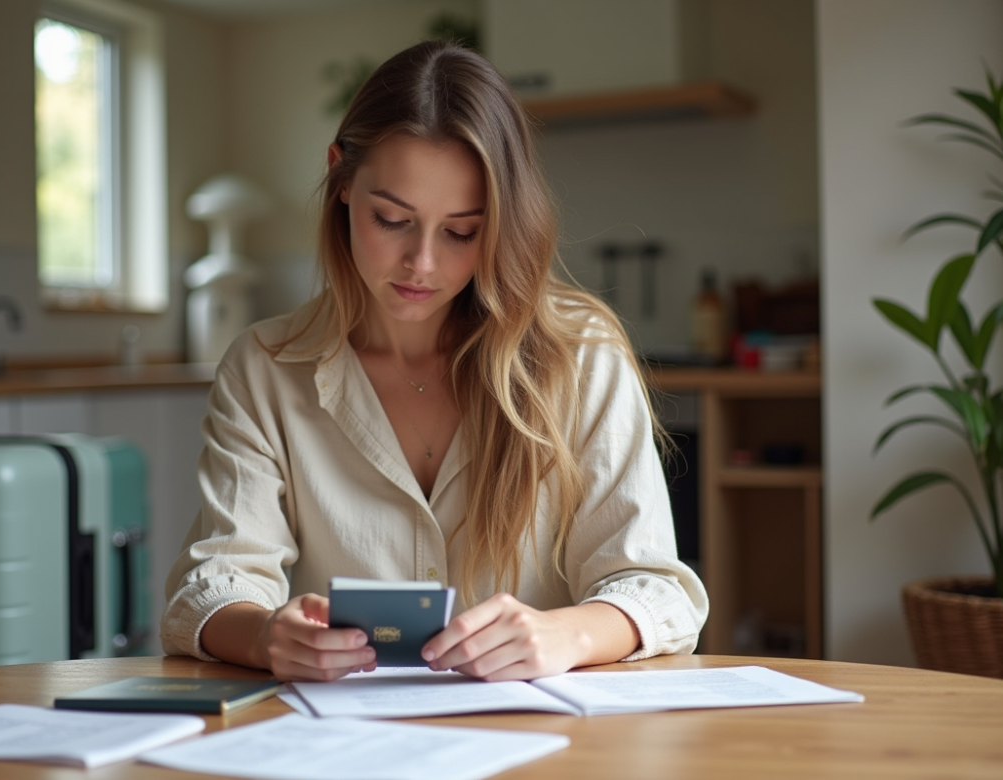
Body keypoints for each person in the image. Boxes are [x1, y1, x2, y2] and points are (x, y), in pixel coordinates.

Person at [161, 39, 707, 682]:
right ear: (340, 177)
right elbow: (212, 586)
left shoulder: (581, 357)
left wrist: (565, 633)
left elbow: (655, 588)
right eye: (392, 219)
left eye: (461, 232)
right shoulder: (264, 368)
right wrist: (264, 636)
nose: (422, 263)